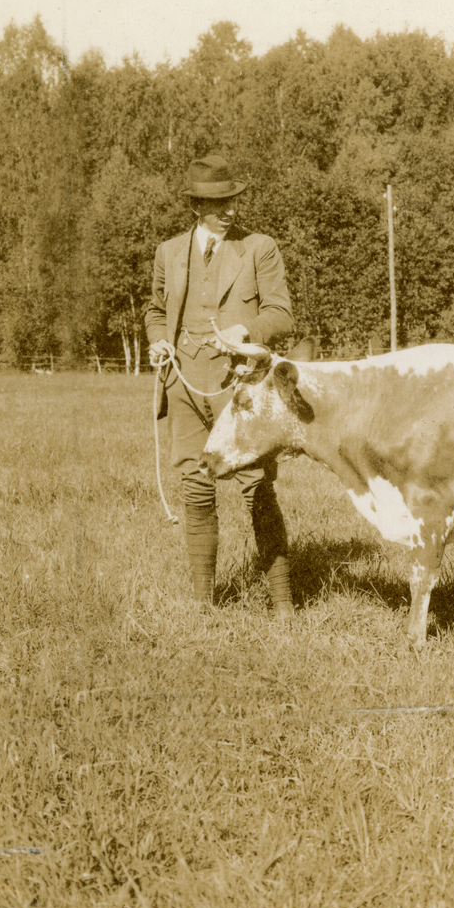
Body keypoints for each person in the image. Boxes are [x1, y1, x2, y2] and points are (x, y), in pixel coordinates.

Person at [146, 155, 295, 614]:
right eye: (217, 203)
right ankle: (202, 605)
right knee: (195, 484)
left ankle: (284, 605)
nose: (230, 209)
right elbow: (155, 311)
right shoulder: (169, 252)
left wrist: (245, 333)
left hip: (241, 383)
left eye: (233, 199)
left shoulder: (258, 248)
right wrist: (158, 343)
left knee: (256, 484)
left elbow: (282, 315)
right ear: (195, 205)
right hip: (185, 381)